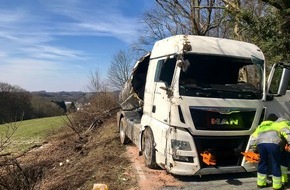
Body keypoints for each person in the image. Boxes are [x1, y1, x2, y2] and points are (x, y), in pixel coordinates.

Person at [250, 114, 290, 190]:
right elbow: (286, 132)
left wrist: (253, 149)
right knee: (275, 163)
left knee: (263, 162)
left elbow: (253, 138)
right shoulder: (276, 124)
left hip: (261, 144)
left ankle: (261, 183)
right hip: (273, 144)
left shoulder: (260, 126)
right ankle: (277, 186)